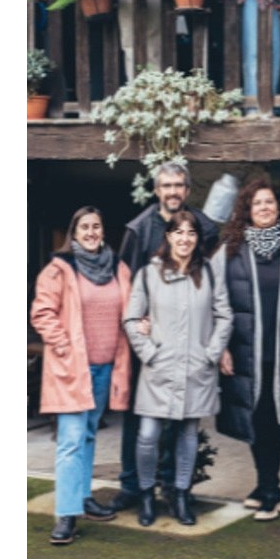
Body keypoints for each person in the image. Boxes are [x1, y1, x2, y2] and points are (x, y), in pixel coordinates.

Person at [109, 161, 219, 513]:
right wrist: (138, 324)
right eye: (166, 185)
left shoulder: (203, 228)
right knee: (140, 419)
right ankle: (132, 485)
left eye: (179, 185)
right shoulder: (139, 230)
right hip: (151, 343)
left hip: (189, 342)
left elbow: (214, 281)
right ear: (157, 190)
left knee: (183, 418)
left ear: (187, 190)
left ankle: (175, 486)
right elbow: (126, 283)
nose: (172, 192)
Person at [214, 179, 280, 520]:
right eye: (257, 203)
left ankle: (270, 491)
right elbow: (215, 303)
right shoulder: (230, 251)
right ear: (246, 209)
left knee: (277, 420)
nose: (264, 208)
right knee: (257, 420)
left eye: (269, 202)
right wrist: (222, 347)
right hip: (247, 353)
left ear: (278, 208)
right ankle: (266, 485)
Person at [123, 208, 232, 527]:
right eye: (179, 232)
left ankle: (181, 495)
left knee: (187, 434)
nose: (185, 239)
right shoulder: (149, 273)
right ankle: (146, 495)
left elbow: (225, 315)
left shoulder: (209, 273)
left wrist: (211, 352)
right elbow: (132, 318)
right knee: (147, 435)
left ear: (197, 239)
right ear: (168, 236)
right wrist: (149, 352)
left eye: (191, 233)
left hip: (196, 369)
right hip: (158, 368)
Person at [30, 206, 132, 545]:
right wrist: (63, 346)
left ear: (104, 231)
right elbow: (42, 313)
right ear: (73, 233)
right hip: (74, 368)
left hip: (105, 367)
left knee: (88, 434)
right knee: (71, 439)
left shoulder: (118, 268)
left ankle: (83, 496)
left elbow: (131, 310)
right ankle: (66, 514)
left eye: (97, 226)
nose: (91, 232)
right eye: (84, 227)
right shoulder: (59, 270)